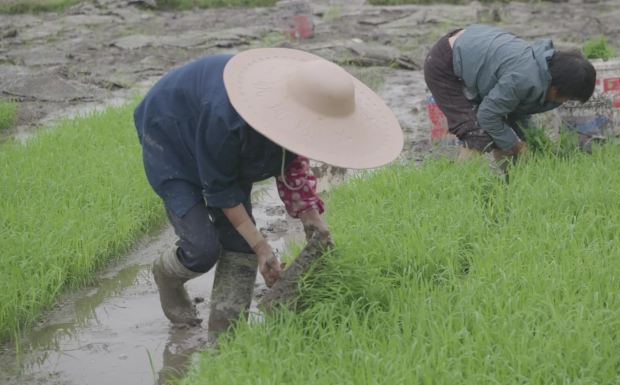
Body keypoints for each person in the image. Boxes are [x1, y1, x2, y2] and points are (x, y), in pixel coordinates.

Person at [133, 48, 403, 341]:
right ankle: (168, 275)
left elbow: (292, 166)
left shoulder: (291, 120)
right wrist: (263, 247)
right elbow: (221, 190)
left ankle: (226, 337)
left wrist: (315, 224)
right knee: (202, 248)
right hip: (171, 134)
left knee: (239, 242)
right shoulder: (228, 118)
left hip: (223, 138)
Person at [424, 24, 596, 163]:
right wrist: (517, 146)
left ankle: (509, 185)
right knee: (476, 133)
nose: (565, 102)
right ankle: (457, 191)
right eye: (568, 97)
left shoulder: (543, 68)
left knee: (500, 132)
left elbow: (516, 112)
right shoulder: (524, 78)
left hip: (469, 47)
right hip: (445, 64)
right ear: (556, 87)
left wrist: (534, 140)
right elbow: (488, 115)